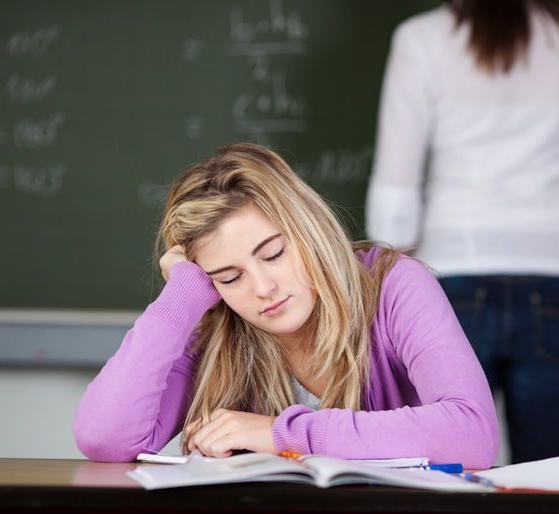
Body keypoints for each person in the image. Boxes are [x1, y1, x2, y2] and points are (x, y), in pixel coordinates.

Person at [74, 143, 499, 469]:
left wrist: (280, 433)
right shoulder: (214, 321)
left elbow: (471, 433)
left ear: (306, 227)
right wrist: (179, 298)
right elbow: (103, 438)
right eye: (229, 276)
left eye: (274, 253)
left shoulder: (393, 284)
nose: (262, 288)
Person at [365, 0, 559, 464]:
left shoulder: (422, 38)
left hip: (452, 271)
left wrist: (385, 281)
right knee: (556, 478)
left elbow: (396, 184)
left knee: (439, 467)